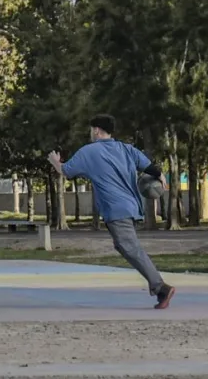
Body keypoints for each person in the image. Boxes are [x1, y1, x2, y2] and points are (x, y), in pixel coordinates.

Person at [48, 114, 176, 310]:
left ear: (97, 130)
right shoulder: (126, 149)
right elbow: (149, 167)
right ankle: (159, 288)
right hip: (132, 207)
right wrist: (160, 176)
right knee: (123, 245)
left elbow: (65, 171)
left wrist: (55, 161)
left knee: (130, 248)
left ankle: (161, 288)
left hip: (116, 209)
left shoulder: (89, 152)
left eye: (91, 130)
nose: (90, 134)